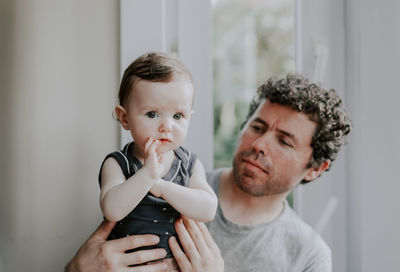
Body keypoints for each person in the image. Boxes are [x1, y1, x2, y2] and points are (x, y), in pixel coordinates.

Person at [66, 74, 351, 272]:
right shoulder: (161, 180)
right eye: (257, 127)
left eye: (284, 141)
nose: (260, 144)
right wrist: (77, 268)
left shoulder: (309, 256)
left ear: (315, 169)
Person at [97, 52, 217, 269]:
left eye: (178, 116)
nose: (166, 126)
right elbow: (112, 210)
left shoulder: (189, 164)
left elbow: (207, 209)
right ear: (125, 118)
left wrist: (161, 186)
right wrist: (147, 175)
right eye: (152, 114)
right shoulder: (118, 163)